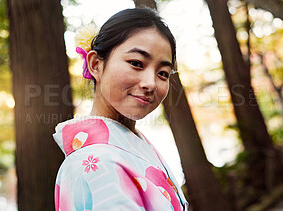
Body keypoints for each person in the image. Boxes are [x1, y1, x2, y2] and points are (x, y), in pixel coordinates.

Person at [53, 8, 188, 211]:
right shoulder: (97, 162)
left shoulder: (130, 148)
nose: (150, 83)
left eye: (163, 73)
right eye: (136, 63)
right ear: (96, 64)